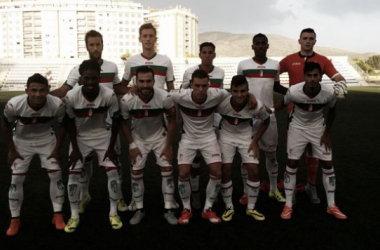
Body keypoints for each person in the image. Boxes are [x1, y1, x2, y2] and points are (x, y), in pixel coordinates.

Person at [50, 30, 127, 212]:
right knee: (85, 162)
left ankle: (120, 198)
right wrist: (44, 94)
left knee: (115, 161)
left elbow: (118, 87)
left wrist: (135, 88)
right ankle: (84, 196)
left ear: (102, 45)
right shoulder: (78, 70)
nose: (95, 48)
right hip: (85, 124)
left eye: (98, 44)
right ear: (86, 47)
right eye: (91, 44)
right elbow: (64, 90)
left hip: (108, 123)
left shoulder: (112, 66)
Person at [279, 28, 348, 203]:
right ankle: (291, 190)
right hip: (294, 114)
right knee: (293, 154)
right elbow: (272, 77)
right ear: (299, 40)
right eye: (305, 38)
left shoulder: (323, 60)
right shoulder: (289, 60)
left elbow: (338, 77)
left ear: (315, 41)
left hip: (315, 115)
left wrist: (341, 85)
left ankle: (311, 185)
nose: (308, 41)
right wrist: (287, 92)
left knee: (313, 152)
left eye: (311, 38)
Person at [273, 62, 347, 220]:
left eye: (315, 75)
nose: (312, 79)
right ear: (304, 76)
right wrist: (269, 111)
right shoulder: (294, 91)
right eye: (309, 75)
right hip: (297, 128)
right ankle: (288, 205)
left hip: (318, 129)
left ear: (320, 77)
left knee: (327, 164)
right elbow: (283, 103)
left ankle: (332, 206)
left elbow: (332, 110)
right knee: (292, 163)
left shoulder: (329, 92)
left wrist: (327, 133)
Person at [2, 74, 66, 236]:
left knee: (56, 175)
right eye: (34, 90)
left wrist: (57, 149)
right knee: (16, 179)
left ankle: (57, 215)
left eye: (41, 90)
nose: (37, 94)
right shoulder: (14, 104)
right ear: (27, 91)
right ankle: (15, 219)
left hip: (46, 140)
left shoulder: (56, 104)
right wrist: (12, 149)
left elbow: (63, 125)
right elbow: (6, 124)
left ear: (48, 90)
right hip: (22, 142)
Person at [64, 59, 122, 233]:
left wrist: (111, 147)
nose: (90, 82)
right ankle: (74, 215)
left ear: (99, 78)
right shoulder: (71, 97)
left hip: (102, 135)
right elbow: (69, 123)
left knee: (112, 171)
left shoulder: (109, 95)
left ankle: (113, 212)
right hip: (80, 137)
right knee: (73, 175)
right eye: (87, 78)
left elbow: (117, 120)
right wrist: (74, 148)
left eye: (94, 78)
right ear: (81, 79)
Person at [168, 69, 230, 225]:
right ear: (191, 85)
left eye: (204, 86)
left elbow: (235, 96)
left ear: (209, 85)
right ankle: (186, 209)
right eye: (197, 86)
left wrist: (249, 96)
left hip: (208, 138)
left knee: (216, 171)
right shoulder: (180, 95)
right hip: (188, 139)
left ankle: (207, 209)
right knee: (183, 173)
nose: (201, 90)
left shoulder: (217, 93)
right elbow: (161, 94)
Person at [120, 66, 178, 225]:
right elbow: (124, 123)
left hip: (160, 137)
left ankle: (168, 209)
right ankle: (139, 209)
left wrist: (168, 146)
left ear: (154, 81)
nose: (145, 85)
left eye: (148, 81)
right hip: (139, 138)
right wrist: (132, 145)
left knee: (167, 170)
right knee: (136, 172)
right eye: (141, 81)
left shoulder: (164, 97)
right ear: (135, 82)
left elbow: (173, 122)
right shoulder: (127, 100)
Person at [237, 33, 287, 205]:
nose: (259, 46)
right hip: (248, 117)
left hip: (268, 116)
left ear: (267, 46)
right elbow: (239, 89)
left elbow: (276, 86)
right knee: (247, 155)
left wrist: (293, 92)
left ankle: (273, 189)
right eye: (257, 43)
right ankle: (245, 191)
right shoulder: (243, 65)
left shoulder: (275, 65)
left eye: (263, 43)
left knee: (271, 154)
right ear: (252, 46)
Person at [218, 75, 270, 222]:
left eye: (243, 91)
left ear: (247, 90)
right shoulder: (222, 103)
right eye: (235, 91)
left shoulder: (256, 105)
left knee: (253, 169)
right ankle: (229, 207)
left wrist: (256, 141)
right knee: (226, 169)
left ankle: (251, 207)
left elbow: (266, 120)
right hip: (226, 136)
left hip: (246, 137)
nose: (239, 95)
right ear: (231, 90)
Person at [181, 42, 225, 209]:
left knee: (216, 158)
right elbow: (182, 95)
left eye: (210, 52)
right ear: (199, 54)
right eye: (204, 52)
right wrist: (180, 118)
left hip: (214, 118)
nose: (207, 55)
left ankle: (216, 192)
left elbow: (221, 96)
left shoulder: (220, 72)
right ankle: (195, 193)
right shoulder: (189, 72)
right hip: (194, 121)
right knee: (195, 160)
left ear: (214, 54)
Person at [119, 23, 175, 94]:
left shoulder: (166, 61)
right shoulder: (131, 61)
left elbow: (171, 88)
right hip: (138, 103)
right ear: (140, 39)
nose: (148, 39)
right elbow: (122, 86)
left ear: (155, 39)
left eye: (151, 36)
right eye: (145, 36)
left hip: (159, 104)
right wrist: (130, 90)